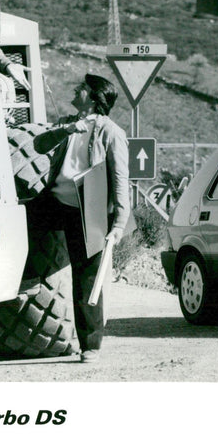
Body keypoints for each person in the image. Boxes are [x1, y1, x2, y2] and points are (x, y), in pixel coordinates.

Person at [31, 74, 133, 363]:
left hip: (87, 209)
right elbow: (39, 145)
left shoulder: (111, 133)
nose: (76, 89)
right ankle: (27, 276)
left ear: (93, 97)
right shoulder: (67, 121)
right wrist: (65, 130)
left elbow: (120, 179)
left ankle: (90, 346)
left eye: (82, 88)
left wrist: (119, 224)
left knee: (87, 276)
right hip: (55, 201)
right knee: (25, 219)